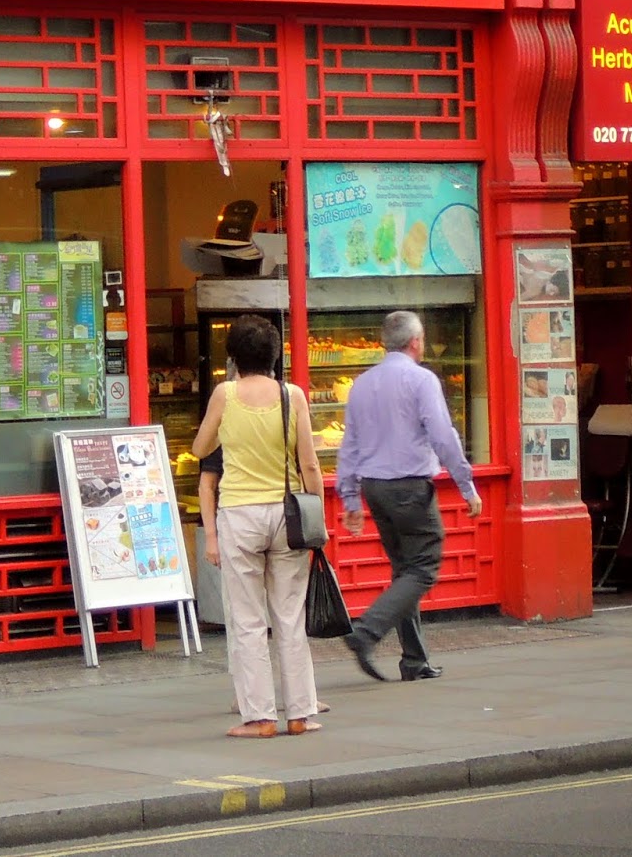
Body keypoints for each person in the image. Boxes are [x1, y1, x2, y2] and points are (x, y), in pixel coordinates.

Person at [191, 314, 324, 739]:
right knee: (290, 615)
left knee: (248, 621)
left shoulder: (224, 394)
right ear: (275, 355)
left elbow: (199, 448)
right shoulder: (293, 396)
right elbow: (309, 464)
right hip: (287, 514)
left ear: (232, 357)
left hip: (240, 514)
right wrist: (317, 513)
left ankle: (260, 717)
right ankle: (301, 712)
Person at [336, 310, 482, 683]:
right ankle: (366, 632)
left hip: (374, 487)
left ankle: (414, 660)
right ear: (416, 341)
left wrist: (350, 498)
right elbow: (442, 435)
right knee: (423, 566)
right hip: (410, 487)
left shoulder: (362, 383)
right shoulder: (422, 380)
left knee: (405, 569)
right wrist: (465, 484)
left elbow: (349, 444)